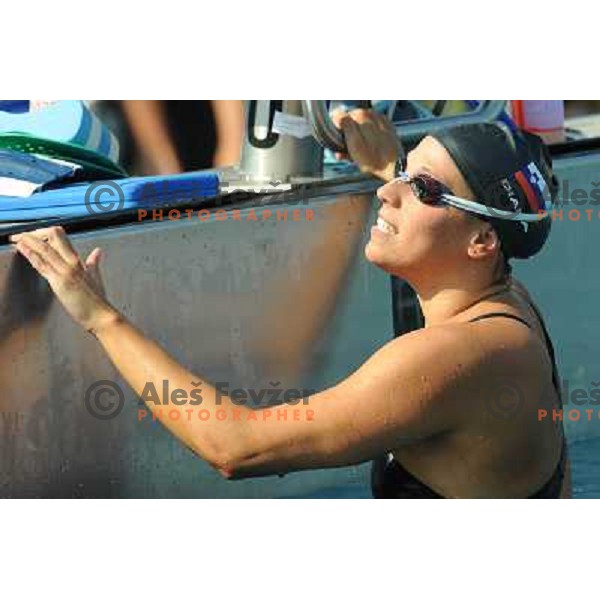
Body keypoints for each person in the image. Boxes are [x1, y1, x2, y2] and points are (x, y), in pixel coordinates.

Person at [9, 109, 570, 498]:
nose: (386, 192)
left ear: (482, 242)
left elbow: (236, 449)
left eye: (421, 189)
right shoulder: (505, 303)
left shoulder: (455, 357)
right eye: (402, 172)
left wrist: (101, 317)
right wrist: (390, 170)